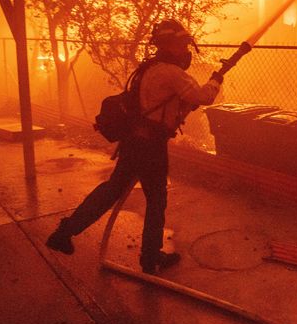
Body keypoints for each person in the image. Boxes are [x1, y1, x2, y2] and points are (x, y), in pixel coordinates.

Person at [46, 19, 222, 274]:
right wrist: (216, 79)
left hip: (134, 141)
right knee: (156, 199)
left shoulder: (149, 68)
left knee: (111, 190)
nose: (185, 51)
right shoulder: (171, 73)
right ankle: (150, 258)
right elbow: (203, 96)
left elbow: (168, 103)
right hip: (150, 147)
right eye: (181, 45)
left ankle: (65, 232)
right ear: (169, 46)